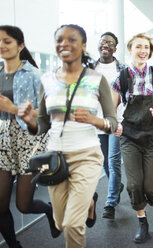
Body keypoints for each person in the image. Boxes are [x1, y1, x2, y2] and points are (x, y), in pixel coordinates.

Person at [18, 24, 119, 248]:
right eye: (60, 40)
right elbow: (43, 125)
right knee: (61, 221)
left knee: (73, 224)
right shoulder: (47, 79)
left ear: (83, 46)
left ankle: (85, 204)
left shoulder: (96, 79)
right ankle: (89, 203)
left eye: (72, 40)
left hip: (87, 156)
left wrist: (94, 120)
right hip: (55, 158)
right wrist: (29, 121)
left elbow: (112, 124)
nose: (64, 44)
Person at [0, 25, 60, 248]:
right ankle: (14, 245)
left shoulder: (36, 75)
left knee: (23, 205)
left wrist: (14, 108)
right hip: (3, 142)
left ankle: (49, 211)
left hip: (30, 142)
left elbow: (50, 113)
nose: (2, 45)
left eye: (7, 41)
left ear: (20, 45)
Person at [111, 33, 153, 243]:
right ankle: (143, 222)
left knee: (150, 186)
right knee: (134, 185)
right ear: (130, 49)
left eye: (146, 47)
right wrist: (115, 124)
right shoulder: (122, 76)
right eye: (138, 46)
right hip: (130, 137)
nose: (143, 50)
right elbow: (112, 106)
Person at [93, 31, 124, 219]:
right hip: (95, 121)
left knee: (113, 161)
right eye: (103, 42)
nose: (106, 45)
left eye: (110, 43)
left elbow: (127, 96)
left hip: (115, 121)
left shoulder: (123, 69)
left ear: (115, 48)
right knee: (104, 160)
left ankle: (110, 202)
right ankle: (116, 184)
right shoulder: (89, 67)